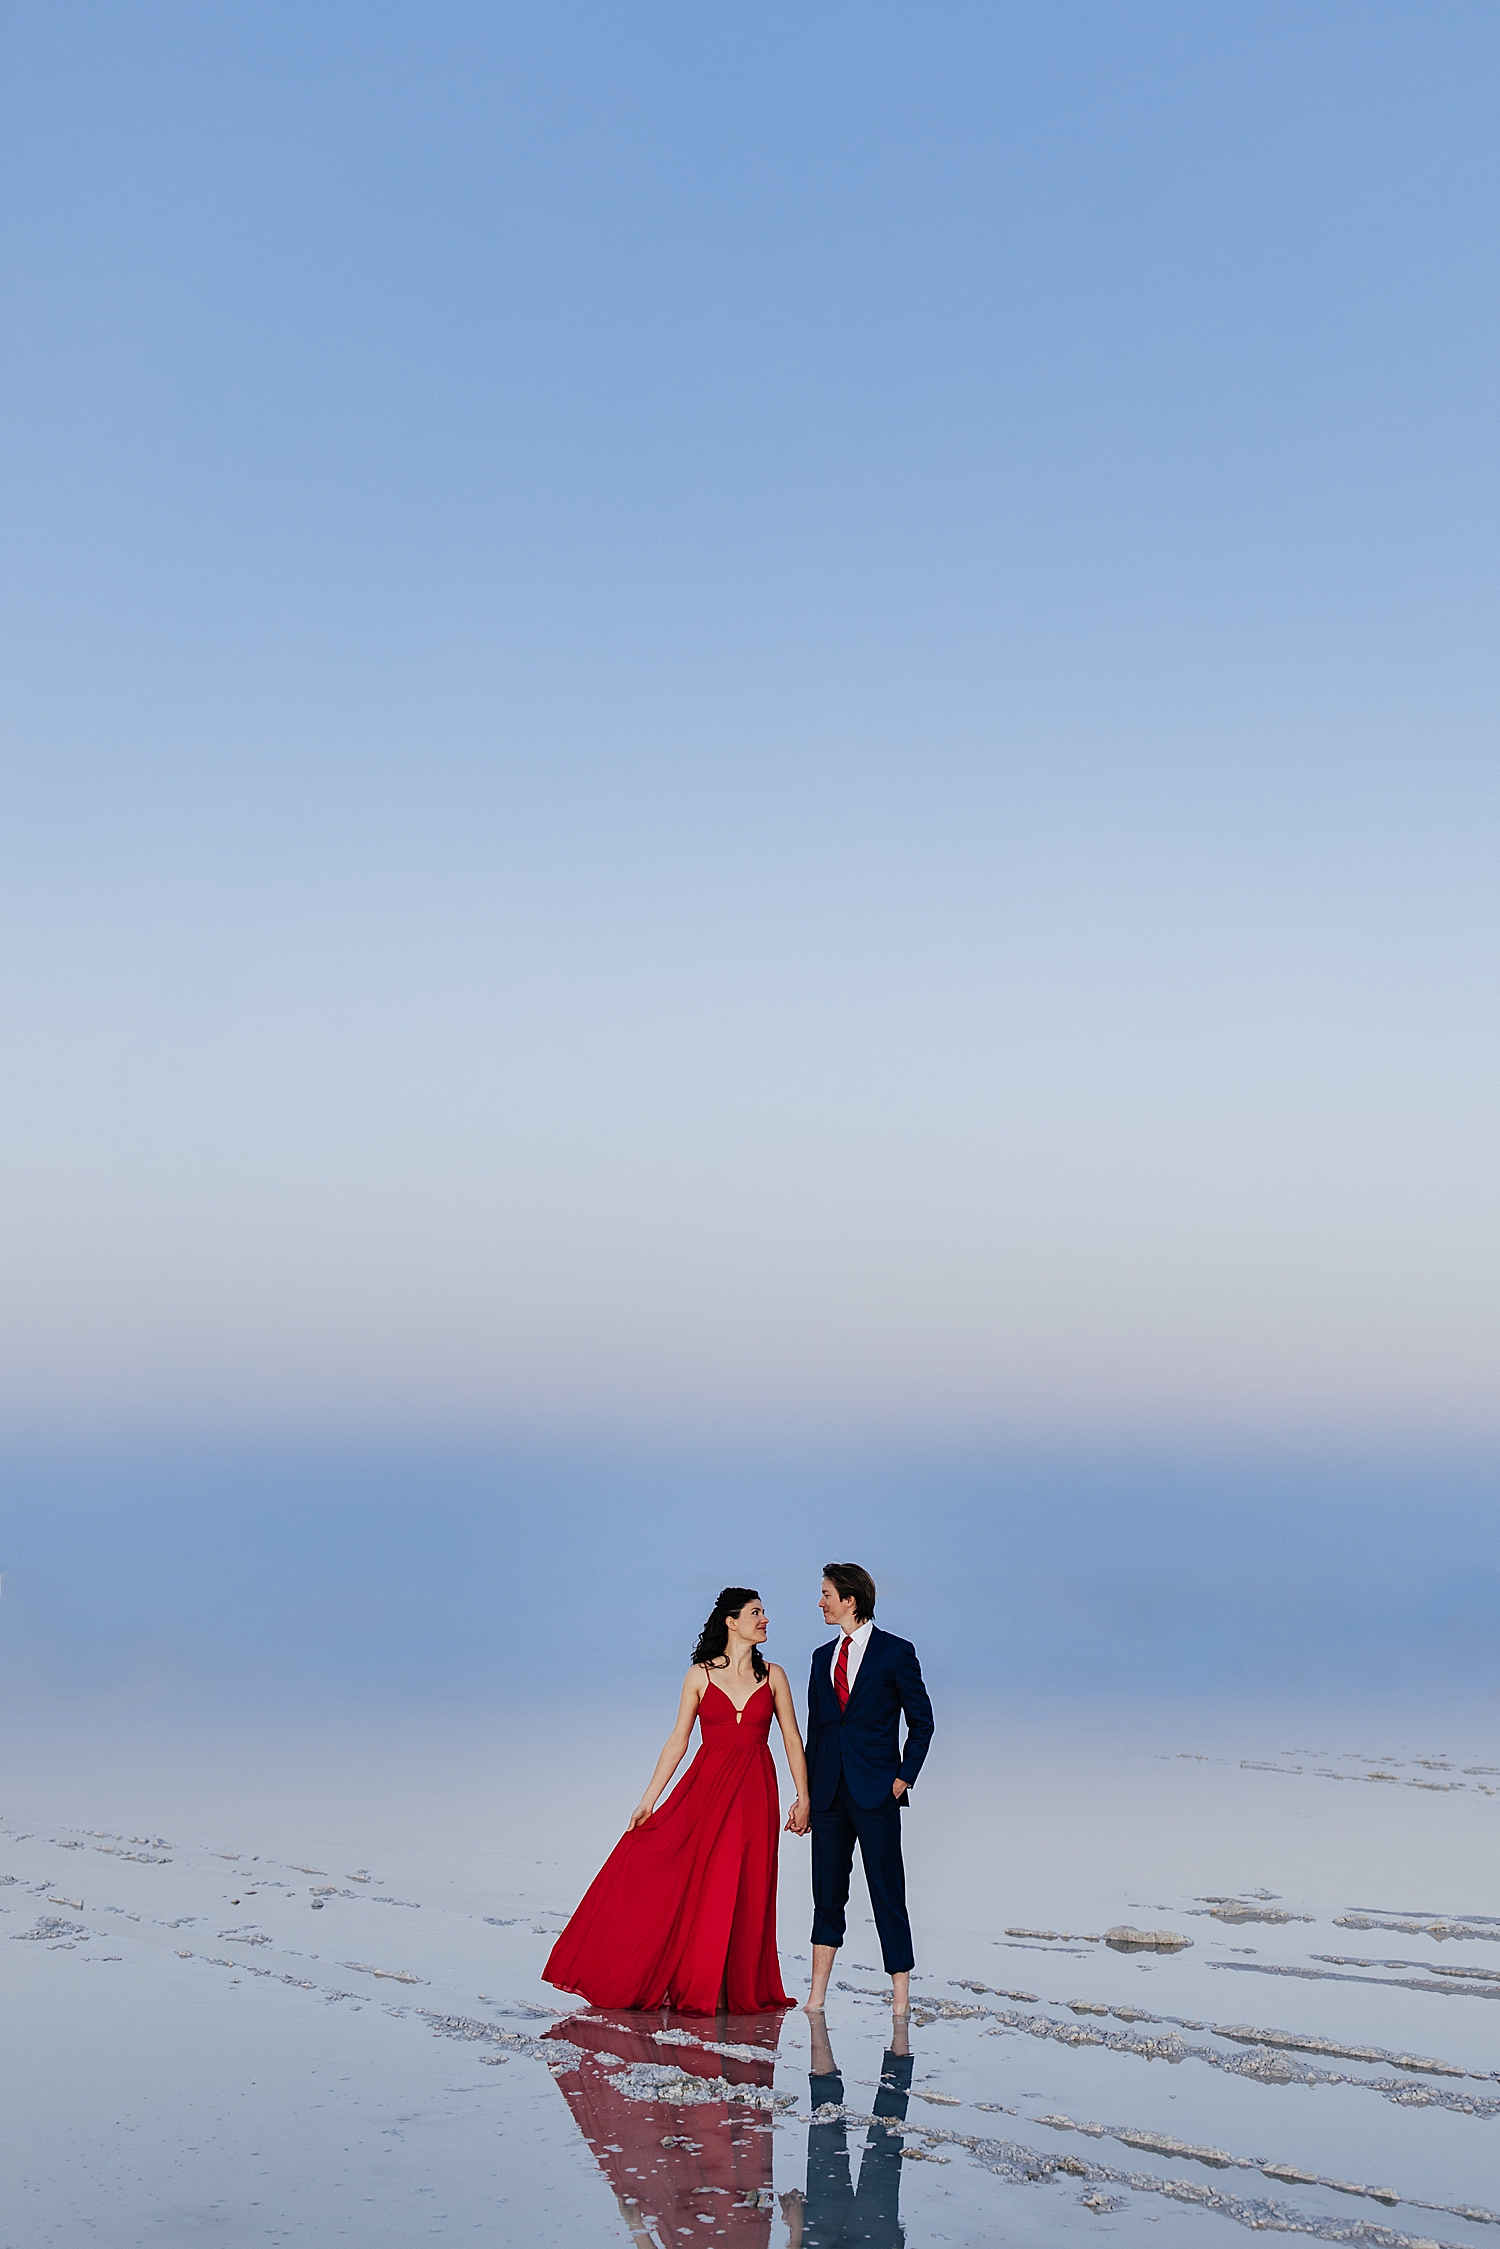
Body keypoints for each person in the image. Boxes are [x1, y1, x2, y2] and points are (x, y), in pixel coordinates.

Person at [543, 1586, 810, 2014]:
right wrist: (648, 1800)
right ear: (731, 1621)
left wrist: (804, 1796)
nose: (765, 1620)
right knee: (708, 1885)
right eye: (757, 1613)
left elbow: (793, 1739)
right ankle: (699, 1984)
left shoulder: (773, 1675)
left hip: (757, 1791)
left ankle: (734, 1989)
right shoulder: (699, 1675)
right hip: (705, 1791)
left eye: (764, 1613)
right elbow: (677, 1742)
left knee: (750, 1888)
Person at [803, 1562, 934, 2017]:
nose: (820, 1602)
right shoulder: (822, 1658)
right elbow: (815, 1733)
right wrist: (805, 1799)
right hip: (828, 1796)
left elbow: (922, 1723)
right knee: (827, 1893)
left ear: (850, 1600)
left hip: (877, 1792)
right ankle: (816, 1996)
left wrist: (903, 1779)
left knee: (887, 1893)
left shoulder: (896, 1653)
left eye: (826, 1594)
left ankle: (900, 1998)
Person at [780, 2013, 912, 2249]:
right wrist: (798, 2231)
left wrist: (797, 2233)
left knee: (826, 2121)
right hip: (873, 2242)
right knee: (884, 2141)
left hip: (820, 2239)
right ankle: (900, 2014)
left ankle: (817, 2018)